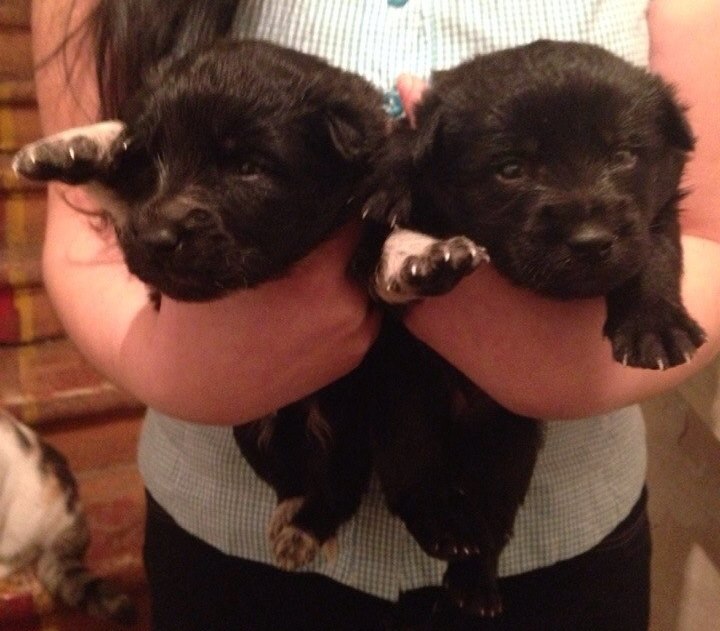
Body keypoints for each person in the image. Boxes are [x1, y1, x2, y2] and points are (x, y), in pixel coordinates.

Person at [31, 1, 720, 629]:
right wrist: (173, 370)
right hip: (230, 533)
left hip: (559, 536)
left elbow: (703, 228)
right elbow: (82, 244)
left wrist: (571, 366)